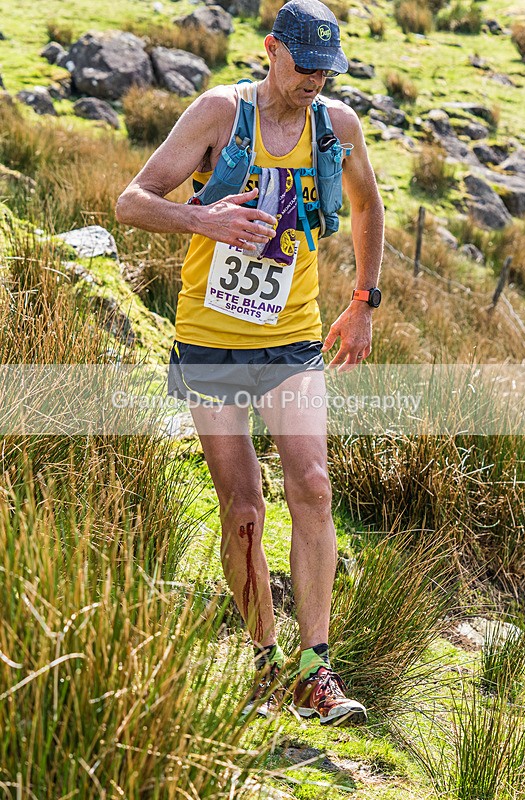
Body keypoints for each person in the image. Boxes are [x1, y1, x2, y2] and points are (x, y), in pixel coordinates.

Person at [116, 0, 384, 725]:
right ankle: (264, 663)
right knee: (241, 508)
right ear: (271, 50)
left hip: (291, 337)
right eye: (304, 67)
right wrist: (204, 218)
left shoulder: (337, 125)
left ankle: (314, 671)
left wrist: (362, 300)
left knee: (314, 483)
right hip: (209, 337)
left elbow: (366, 207)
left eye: (327, 69)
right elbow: (131, 200)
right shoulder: (217, 113)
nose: (315, 82)